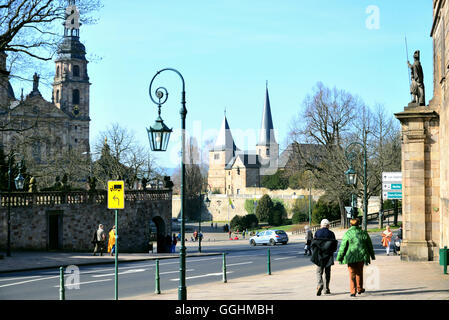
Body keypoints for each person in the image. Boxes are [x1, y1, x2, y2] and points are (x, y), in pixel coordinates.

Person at [336, 218, 375, 297]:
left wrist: (339, 257)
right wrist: (372, 255)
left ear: (350, 224)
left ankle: (353, 291)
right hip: (361, 256)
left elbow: (343, 246)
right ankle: (359, 288)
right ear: (358, 224)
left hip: (350, 256)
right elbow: (369, 245)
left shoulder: (347, 234)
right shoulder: (363, 233)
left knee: (352, 274)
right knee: (359, 272)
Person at [311, 219, 338, 296]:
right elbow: (334, 246)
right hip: (328, 256)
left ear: (321, 225)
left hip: (319, 255)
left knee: (319, 272)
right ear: (328, 225)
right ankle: (326, 289)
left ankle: (320, 284)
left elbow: (314, 244)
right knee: (327, 272)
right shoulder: (331, 233)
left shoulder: (317, 232)